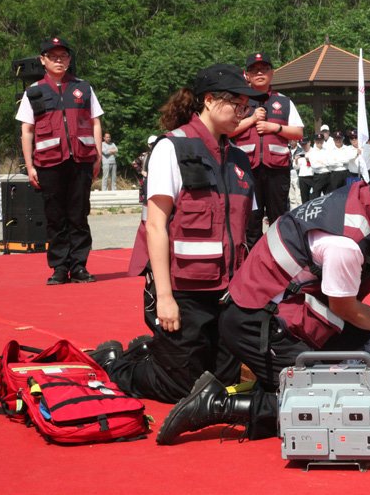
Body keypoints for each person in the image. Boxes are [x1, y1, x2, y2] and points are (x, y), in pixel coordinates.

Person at [155, 162, 370, 445]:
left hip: (277, 310)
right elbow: (346, 308)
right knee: (343, 401)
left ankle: (266, 378)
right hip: (257, 324)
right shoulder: (345, 243)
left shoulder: (367, 203)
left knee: (360, 347)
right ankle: (220, 404)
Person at [96, 63, 267, 404]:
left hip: (228, 295)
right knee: (182, 389)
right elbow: (156, 226)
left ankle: (154, 351)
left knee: (222, 383)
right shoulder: (172, 149)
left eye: (246, 106)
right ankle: (115, 365)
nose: (242, 112)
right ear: (208, 100)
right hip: (184, 292)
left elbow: (251, 232)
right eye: (236, 103)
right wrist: (165, 298)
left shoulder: (238, 159)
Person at [16, 36, 103, 284]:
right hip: (49, 162)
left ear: (69, 59)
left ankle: (78, 266)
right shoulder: (33, 92)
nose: (58, 60)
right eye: (53, 56)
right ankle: (58, 267)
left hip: (81, 160)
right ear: (42, 60)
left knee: (78, 215)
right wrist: (30, 165)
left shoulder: (83, 88)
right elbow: (27, 130)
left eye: (63, 56)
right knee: (55, 217)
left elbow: (96, 121)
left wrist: (96, 155)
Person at [232, 52, 304, 247]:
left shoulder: (285, 101)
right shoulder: (238, 102)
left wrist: (275, 128)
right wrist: (251, 120)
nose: (260, 73)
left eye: (264, 69)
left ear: (272, 73)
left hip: (277, 170)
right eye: (254, 70)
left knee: (278, 220)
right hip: (246, 171)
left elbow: (298, 132)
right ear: (247, 75)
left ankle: (276, 265)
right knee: (250, 222)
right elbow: (226, 130)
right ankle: (250, 268)